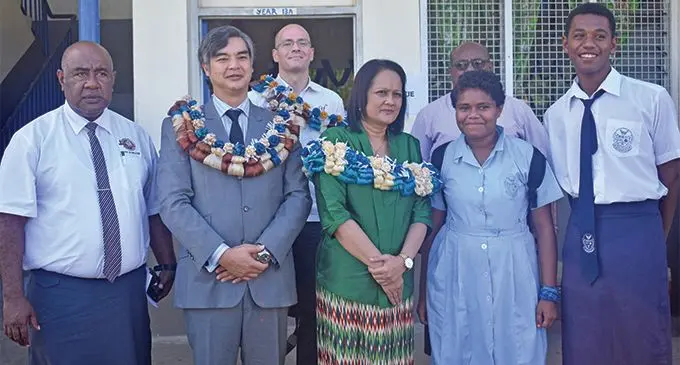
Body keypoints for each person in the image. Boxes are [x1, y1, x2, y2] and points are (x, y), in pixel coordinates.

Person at [0, 41, 176, 365]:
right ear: (60, 79)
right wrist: (12, 297)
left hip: (127, 294)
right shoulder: (32, 141)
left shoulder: (136, 137)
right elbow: (10, 221)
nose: (92, 83)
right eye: (80, 73)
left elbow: (152, 208)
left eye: (101, 74)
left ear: (113, 79)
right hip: (59, 295)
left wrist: (167, 262)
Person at [157, 25, 311, 365]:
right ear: (205, 67)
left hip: (267, 279)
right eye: (222, 58)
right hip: (208, 281)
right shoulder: (182, 127)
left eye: (242, 57)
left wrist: (265, 252)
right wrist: (222, 254)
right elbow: (172, 202)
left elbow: (298, 196)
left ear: (253, 66)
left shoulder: (281, 124)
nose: (234, 65)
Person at [544, 3, 680, 364]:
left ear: (614, 44)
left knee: (641, 330)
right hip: (581, 232)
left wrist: (654, 235)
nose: (590, 44)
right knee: (585, 333)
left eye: (600, 36)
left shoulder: (650, 99)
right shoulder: (556, 114)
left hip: (638, 230)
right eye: (580, 35)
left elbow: (671, 175)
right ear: (565, 44)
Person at [420, 70, 562, 364]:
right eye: (464, 108)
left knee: (518, 346)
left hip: (514, 264)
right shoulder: (441, 158)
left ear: (499, 109)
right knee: (457, 345)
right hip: (455, 264)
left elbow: (545, 229)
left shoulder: (527, 157)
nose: (473, 115)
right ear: (454, 110)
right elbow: (432, 227)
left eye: (483, 107)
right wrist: (423, 292)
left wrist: (549, 292)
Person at [302, 59, 433, 364]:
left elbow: (422, 213)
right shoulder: (335, 141)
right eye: (381, 93)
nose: (390, 101)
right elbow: (334, 213)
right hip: (347, 282)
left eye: (397, 94)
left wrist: (402, 263)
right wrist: (384, 271)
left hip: (399, 283)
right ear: (362, 96)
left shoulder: (410, 147)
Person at [247, 23, 345, 364]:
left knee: (312, 309)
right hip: (267, 220)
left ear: (312, 53)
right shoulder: (256, 99)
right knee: (267, 307)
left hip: (316, 217)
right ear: (275, 54)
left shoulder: (330, 101)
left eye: (303, 42)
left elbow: (338, 158)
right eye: (287, 43)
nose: (296, 48)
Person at [411, 41, 549, 162]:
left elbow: (543, 157)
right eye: (461, 65)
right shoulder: (429, 115)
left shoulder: (519, 110)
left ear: (490, 66)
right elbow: (416, 169)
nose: (470, 70)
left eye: (478, 63)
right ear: (450, 72)